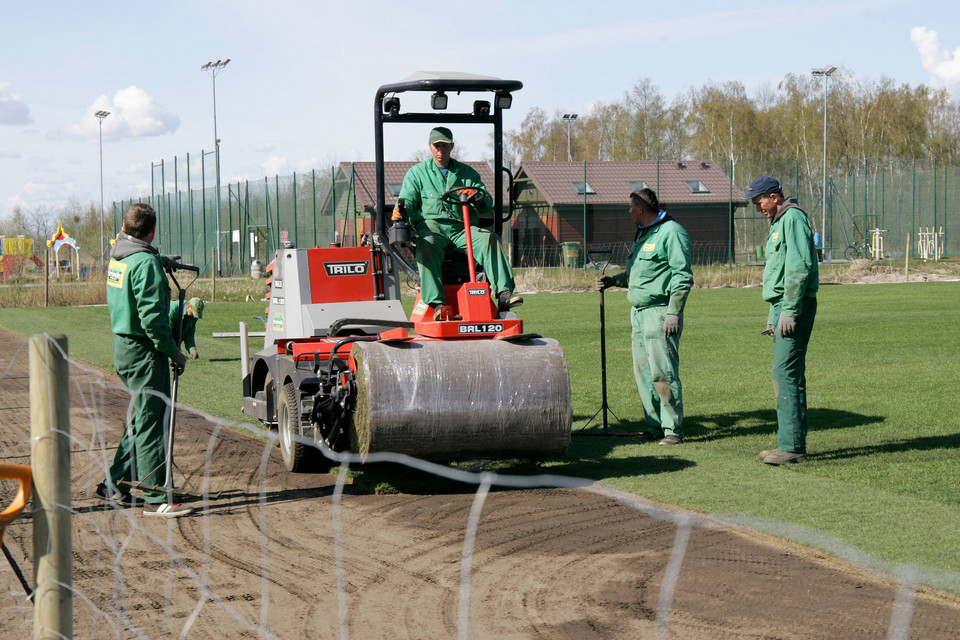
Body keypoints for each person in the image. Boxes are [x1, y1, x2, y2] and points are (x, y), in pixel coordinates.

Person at [97, 203, 193, 517]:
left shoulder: (120, 257)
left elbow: (138, 259)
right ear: (152, 230)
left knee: (142, 417)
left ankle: (115, 485)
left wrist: (160, 259)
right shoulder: (145, 264)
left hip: (123, 348)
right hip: (145, 352)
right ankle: (156, 498)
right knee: (153, 421)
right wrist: (173, 351)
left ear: (126, 228)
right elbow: (153, 321)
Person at [597, 188, 693, 445]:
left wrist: (674, 311)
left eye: (630, 207)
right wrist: (613, 281)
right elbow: (636, 276)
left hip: (660, 312)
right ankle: (654, 426)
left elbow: (682, 276)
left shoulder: (671, 232)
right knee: (644, 375)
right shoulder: (643, 235)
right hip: (638, 315)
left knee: (663, 373)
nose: (628, 211)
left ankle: (673, 430)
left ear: (640, 208)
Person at [395, 126, 521, 320]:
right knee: (426, 245)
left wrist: (477, 197)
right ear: (430, 147)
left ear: (452, 147)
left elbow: (486, 203)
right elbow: (408, 200)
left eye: (445, 146)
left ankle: (504, 294)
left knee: (489, 239)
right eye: (437, 146)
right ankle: (437, 304)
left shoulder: (466, 173)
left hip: (462, 228)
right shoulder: (417, 173)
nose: (440, 150)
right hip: (432, 228)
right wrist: (401, 209)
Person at [744, 175, 819, 465]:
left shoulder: (792, 219)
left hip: (794, 305)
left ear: (774, 196)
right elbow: (778, 273)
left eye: (759, 200)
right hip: (781, 306)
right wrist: (774, 314)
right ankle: (790, 443)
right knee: (787, 374)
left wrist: (789, 310)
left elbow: (799, 268)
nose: (757, 206)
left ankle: (791, 447)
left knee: (784, 374)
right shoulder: (779, 221)